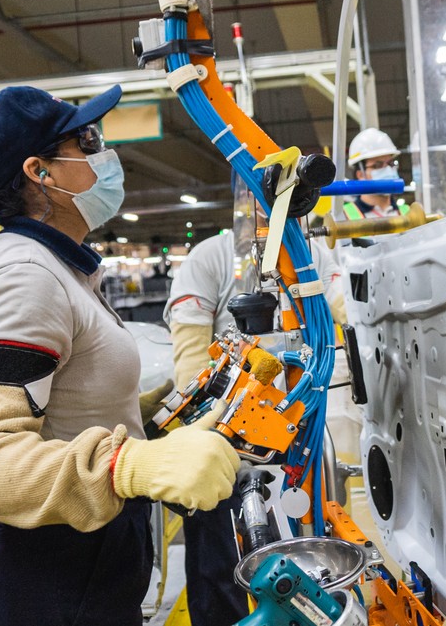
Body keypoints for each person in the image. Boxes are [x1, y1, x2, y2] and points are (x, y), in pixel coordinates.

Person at [0, 85, 240, 626]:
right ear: (42, 172)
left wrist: (146, 414)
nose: (105, 154)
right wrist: (129, 464)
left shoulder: (64, 269)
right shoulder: (24, 279)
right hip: (42, 581)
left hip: (82, 567)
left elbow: (64, 403)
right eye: (87, 140)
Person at [164, 220, 346, 626]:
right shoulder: (209, 258)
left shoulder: (310, 254)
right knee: (219, 567)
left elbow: (346, 308)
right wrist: (219, 433)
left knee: (307, 564)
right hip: (225, 440)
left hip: (298, 433)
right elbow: (192, 360)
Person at [344, 127, 408, 219]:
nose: (388, 170)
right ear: (361, 175)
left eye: (390, 163)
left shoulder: (408, 212)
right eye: (377, 165)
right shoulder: (343, 217)